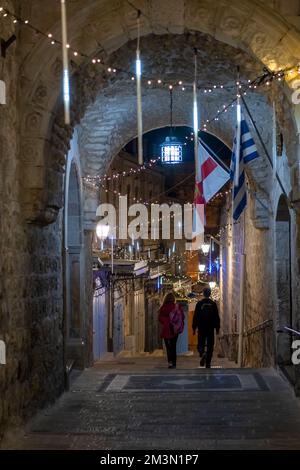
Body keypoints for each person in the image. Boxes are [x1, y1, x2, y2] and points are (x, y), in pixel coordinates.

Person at [192, 287, 220, 368]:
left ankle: (202, 353)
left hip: (201, 327)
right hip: (210, 328)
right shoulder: (213, 304)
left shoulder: (199, 304)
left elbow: (195, 316)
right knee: (210, 345)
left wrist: (194, 327)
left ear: (203, 294)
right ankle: (208, 363)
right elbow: (216, 317)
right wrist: (217, 328)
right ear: (210, 294)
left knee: (201, 343)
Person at [158, 292, 184, 369]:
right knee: (173, 346)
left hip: (167, 329)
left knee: (168, 347)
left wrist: (165, 322)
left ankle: (170, 362)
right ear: (173, 299)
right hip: (175, 329)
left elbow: (160, 318)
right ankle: (174, 363)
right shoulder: (177, 307)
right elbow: (182, 317)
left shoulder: (163, 307)